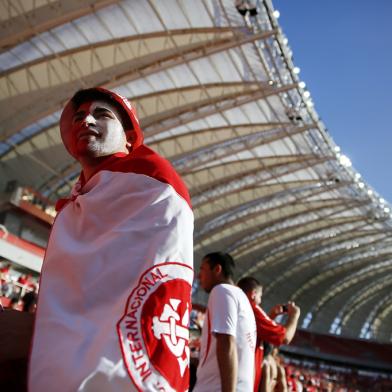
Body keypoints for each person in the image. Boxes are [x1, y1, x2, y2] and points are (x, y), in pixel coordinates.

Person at [28, 87, 194, 392]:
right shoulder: (79, 203)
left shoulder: (153, 186)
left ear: (129, 138)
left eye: (101, 114)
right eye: (79, 116)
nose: (85, 121)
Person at [193, 252, 256, 392]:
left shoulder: (222, 291)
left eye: (202, 269)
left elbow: (226, 340)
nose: (198, 276)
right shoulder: (243, 300)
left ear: (217, 269)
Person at [237, 276, 300, 392]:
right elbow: (285, 338)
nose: (260, 301)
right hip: (242, 384)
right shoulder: (251, 308)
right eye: (260, 297)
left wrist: (271, 316)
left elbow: (256, 331)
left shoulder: (238, 308)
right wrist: (294, 316)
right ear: (253, 294)